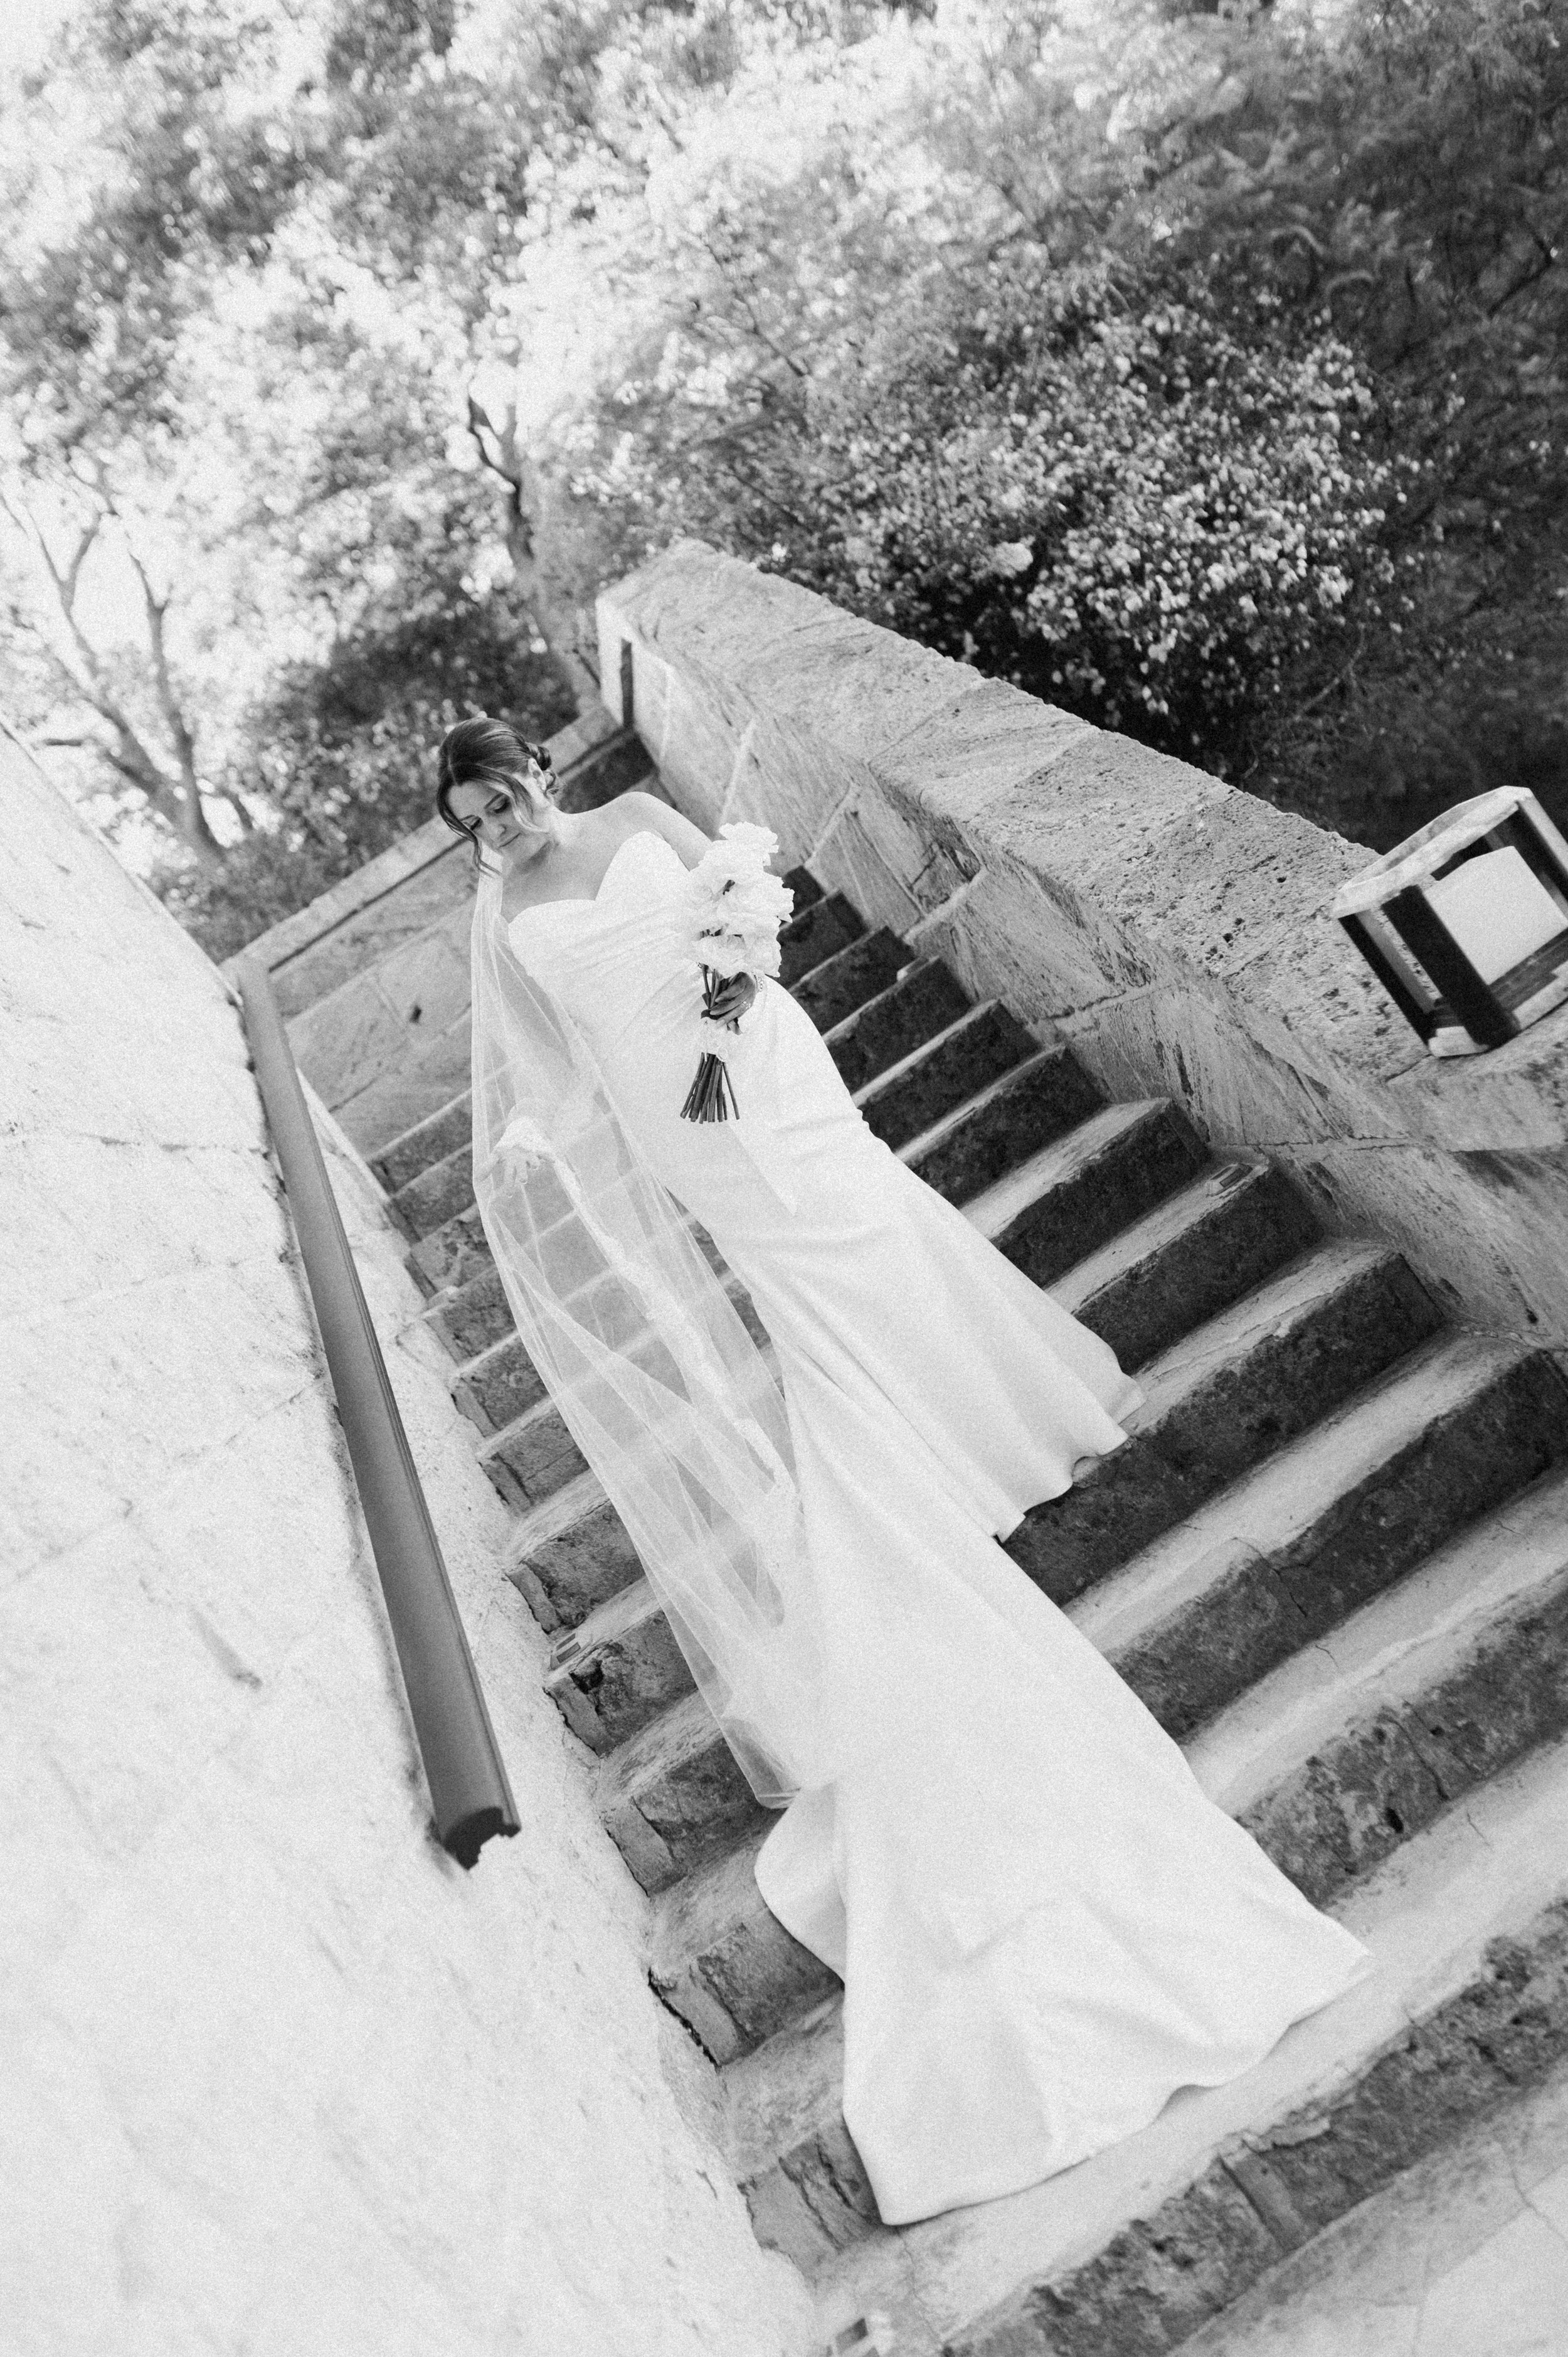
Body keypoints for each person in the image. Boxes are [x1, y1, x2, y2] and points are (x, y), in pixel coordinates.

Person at [435, 715, 1372, 2228]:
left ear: (539, 775)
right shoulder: (504, 915)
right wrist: (551, 1143)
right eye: (476, 825)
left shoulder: (625, 822)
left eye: (509, 798)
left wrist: (741, 981)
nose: (506, 832)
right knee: (802, 1277)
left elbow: (732, 905)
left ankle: (979, 1407)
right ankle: (904, 1439)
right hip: (680, 1130)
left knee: (863, 1219)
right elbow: (549, 1067)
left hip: (752, 1063)